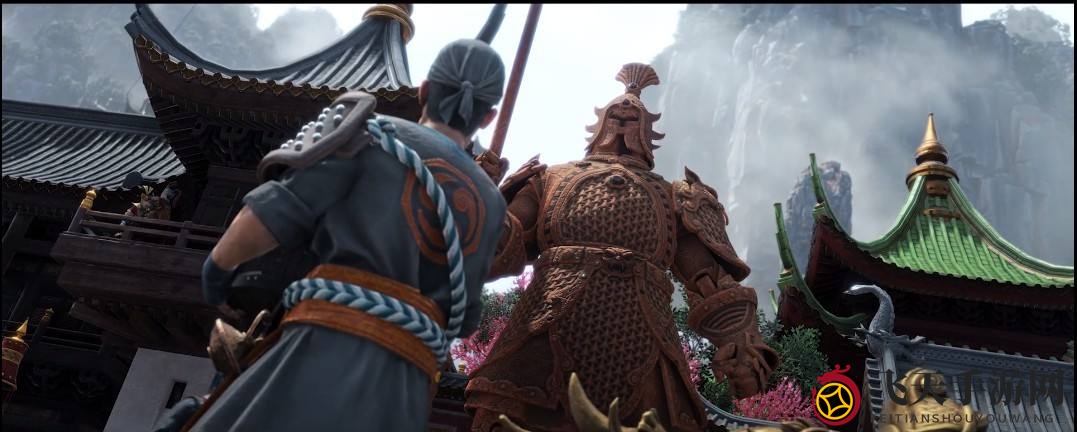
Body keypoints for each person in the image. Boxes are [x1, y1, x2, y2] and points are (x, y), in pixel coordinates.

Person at [184, 38, 508, 432]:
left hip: (319, 351)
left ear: (424, 90)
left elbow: (267, 217)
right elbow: (464, 319)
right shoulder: (493, 204)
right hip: (404, 392)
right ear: (488, 117)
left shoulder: (370, 134)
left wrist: (217, 272)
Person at [464, 63, 779, 432]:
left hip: (642, 331)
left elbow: (709, 281)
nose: (624, 117)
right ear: (598, 123)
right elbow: (503, 244)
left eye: (634, 118)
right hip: (546, 322)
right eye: (615, 114)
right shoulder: (548, 179)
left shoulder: (674, 196)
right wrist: (480, 202)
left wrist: (742, 349)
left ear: (648, 133)